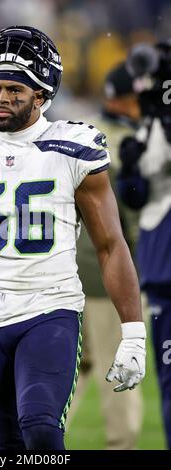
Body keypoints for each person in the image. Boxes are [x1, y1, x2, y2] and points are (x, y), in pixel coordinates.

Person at [0, 26, 146, 451]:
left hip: (49, 306)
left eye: (15, 90)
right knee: (5, 443)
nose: (1, 98)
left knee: (40, 428)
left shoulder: (74, 147)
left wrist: (133, 333)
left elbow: (111, 245)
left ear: (41, 94)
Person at [66, 63, 143, 450]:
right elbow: (133, 220)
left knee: (75, 363)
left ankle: (32, 441)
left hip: (69, 267)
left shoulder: (80, 130)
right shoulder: (138, 140)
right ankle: (120, 445)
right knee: (121, 366)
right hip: (109, 271)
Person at [117, 42, 171, 449]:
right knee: (169, 381)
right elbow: (136, 197)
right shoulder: (149, 122)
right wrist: (130, 168)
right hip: (161, 260)